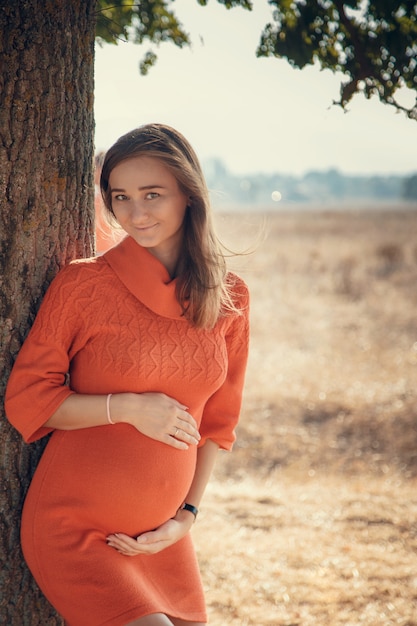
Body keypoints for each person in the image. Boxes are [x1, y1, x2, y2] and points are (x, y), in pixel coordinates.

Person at [5, 123, 250, 626]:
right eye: (121, 197)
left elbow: (218, 424)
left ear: (188, 195)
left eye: (152, 195)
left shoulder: (230, 297)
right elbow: (28, 396)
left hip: (161, 542)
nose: (135, 214)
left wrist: (187, 517)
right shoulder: (83, 284)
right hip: (75, 529)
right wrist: (129, 408)